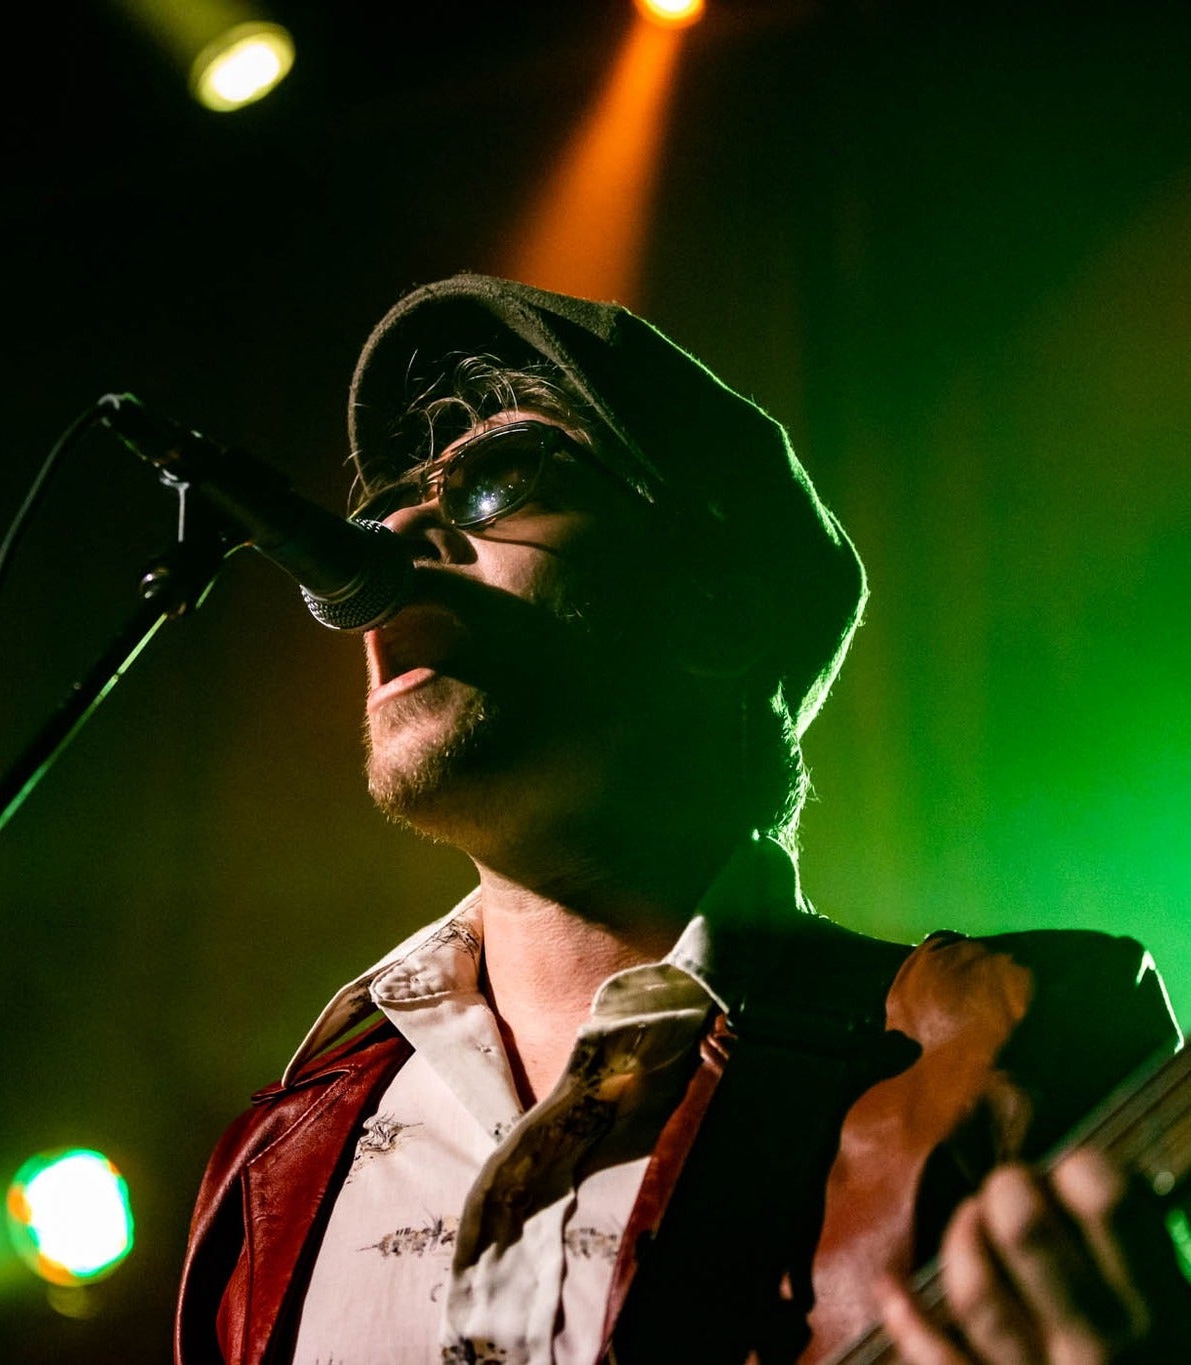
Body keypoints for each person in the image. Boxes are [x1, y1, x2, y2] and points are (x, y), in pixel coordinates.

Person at [175, 276, 1186, 1364]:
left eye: (499, 478)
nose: (402, 527)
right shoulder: (278, 1157)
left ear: (718, 608)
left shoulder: (1004, 1050)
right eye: (388, 507)